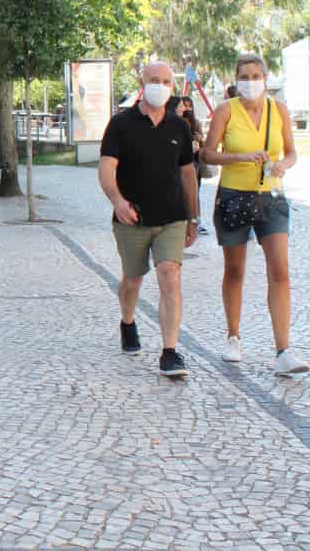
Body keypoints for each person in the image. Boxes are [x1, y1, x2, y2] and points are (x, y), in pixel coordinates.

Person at [201, 52, 309, 376]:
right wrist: (240, 156)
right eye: (244, 77)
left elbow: (291, 152)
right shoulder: (226, 111)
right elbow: (207, 153)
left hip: (271, 195)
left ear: (265, 78)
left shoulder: (280, 111)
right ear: (236, 80)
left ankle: (283, 349)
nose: (250, 82)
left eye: (255, 76)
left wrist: (283, 164)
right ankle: (233, 336)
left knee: (280, 269)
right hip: (234, 195)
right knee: (235, 269)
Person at [98, 61, 200, 379]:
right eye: (154, 79)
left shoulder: (179, 127)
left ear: (173, 85)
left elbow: (187, 174)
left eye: (166, 80)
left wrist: (193, 216)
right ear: (143, 82)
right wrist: (117, 201)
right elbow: (106, 168)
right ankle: (128, 321)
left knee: (170, 276)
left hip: (171, 218)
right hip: (132, 218)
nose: (160, 85)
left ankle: (170, 352)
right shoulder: (120, 124)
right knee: (132, 280)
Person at [178, 95, 211, 235]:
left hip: (194, 162)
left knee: (194, 191)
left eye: (188, 105)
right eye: (183, 105)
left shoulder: (195, 122)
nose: (186, 108)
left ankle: (197, 219)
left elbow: (204, 144)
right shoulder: (174, 122)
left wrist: (199, 140)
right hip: (179, 162)